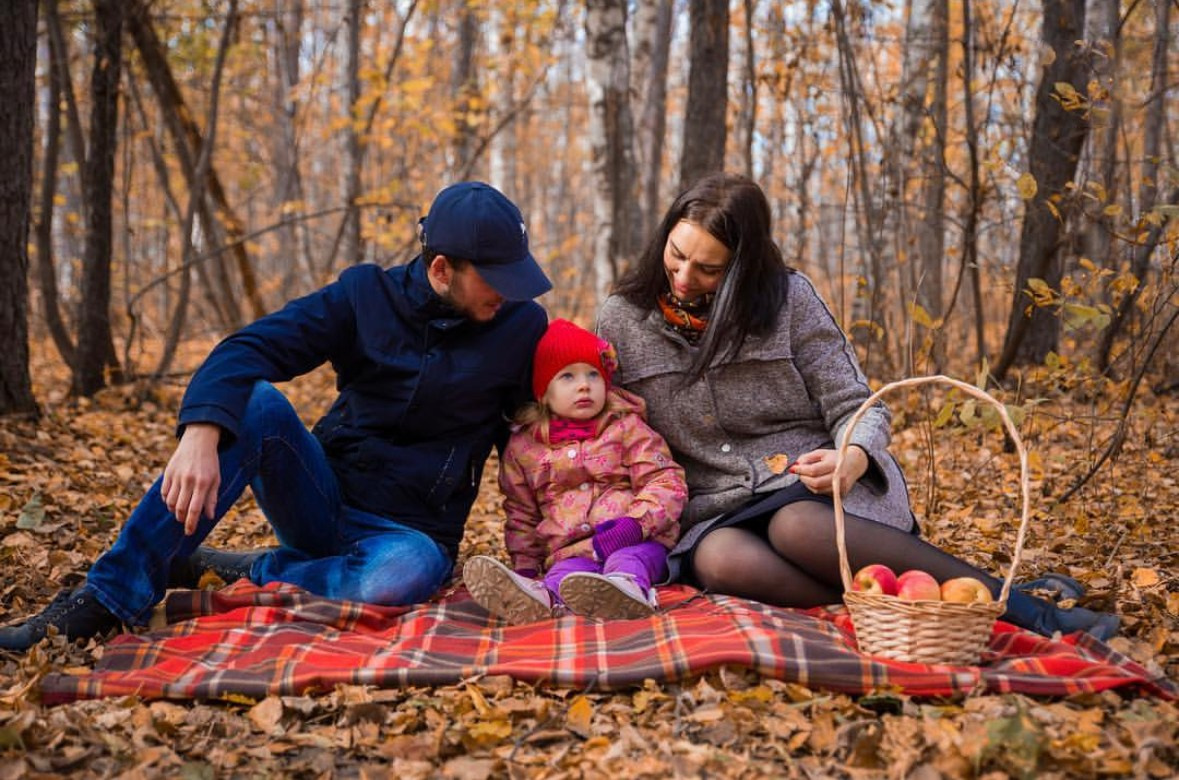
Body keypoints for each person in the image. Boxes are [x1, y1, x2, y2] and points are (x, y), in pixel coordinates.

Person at [0, 181, 552, 651]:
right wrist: (199, 432)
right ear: (441, 268)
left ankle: (246, 568)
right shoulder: (364, 295)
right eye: (497, 276)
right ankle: (107, 596)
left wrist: (566, 540)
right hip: (323, 495)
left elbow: (543, 435)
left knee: (389, 582)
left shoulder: (520, 327)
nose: (510, 291)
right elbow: (249, 348)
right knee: (256, 400)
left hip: (413, 534)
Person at [595, 171, 1119, 641]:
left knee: (795, 525)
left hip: (816, 491)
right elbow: (603, 426)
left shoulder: (789, 300)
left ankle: (1026, 611)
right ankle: (904, 603)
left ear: (743, 268)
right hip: (716, 508)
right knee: (718, 562)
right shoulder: (621, 319)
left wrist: (853, 457)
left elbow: (858, 404)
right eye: (676, 254)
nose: (684, 278)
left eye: (708, 270)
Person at [463, 319, 687, 623]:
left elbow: (665, 480)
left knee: (627, 561)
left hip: (638, 539)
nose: (584, 385)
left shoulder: (626, 427)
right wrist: (526, 566)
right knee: (563, 576)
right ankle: (538, 597)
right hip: (572, 552)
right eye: (567, 376)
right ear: (544, 392)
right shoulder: (525, 448)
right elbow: (521, 513)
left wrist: (635, 525)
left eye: (593, 374)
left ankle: (627, 591)